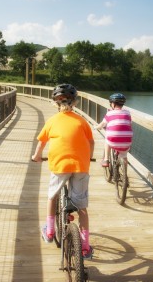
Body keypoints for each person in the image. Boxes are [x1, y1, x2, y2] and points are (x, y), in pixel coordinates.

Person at [31, 83, 95, 259]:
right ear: (75, 103)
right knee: (81, 207)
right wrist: (89, 157)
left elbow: (42, 142)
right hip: (81, 166)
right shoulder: (82, 121)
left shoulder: (51, 121)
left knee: (52, 197)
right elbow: (91, 142)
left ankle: (50, 231)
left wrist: (37, 156)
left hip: (59, 165)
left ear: (55, 103)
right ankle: (85, 247)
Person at [96, 93, 133, 167]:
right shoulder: (128, 113)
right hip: (127, 142)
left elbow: (103, 124)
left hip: (113, 141)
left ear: (112, 104)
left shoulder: (109, 113)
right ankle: (125, 175)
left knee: (107, 141)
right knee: (124, 155)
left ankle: (106, 159)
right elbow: (129, 123)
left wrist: (97, 127)